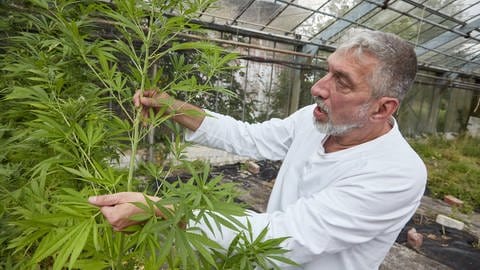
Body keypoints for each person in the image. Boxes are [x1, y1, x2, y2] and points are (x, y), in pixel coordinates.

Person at [89, 28, 427, 269]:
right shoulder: (315, 120)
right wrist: (176, 108)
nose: (318, 88)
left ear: (382, 109)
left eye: (342, 81)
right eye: (328, 71)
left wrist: (166, 211)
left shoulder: (397, 173)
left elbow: (288, 238)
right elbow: (248, 137)